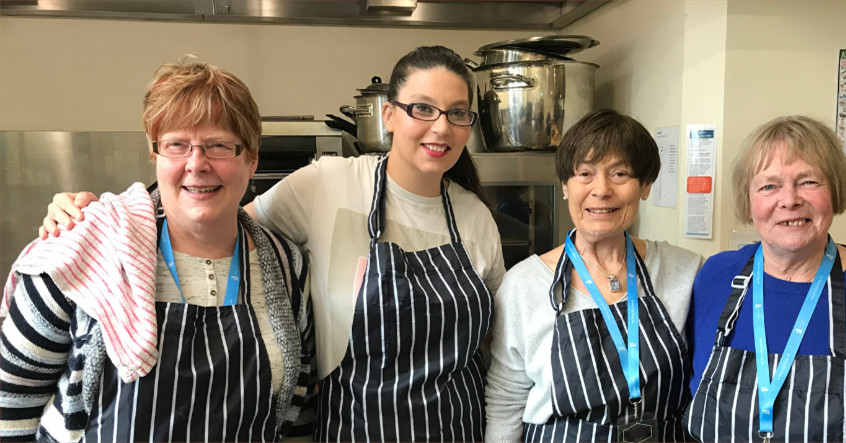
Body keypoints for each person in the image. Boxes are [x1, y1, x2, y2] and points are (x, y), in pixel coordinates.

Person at [35, 45, 504, 442]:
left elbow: (496, 352)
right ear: (389, 115)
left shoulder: (476, 218)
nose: (440, 127)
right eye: (422, 108)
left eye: (456, 113)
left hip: (454, 427)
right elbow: (214, 219)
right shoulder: (329, 184)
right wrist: (106, 214)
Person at [484, 110, 846, 443]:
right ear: (564, 186)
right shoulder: (524, 286)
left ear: (645, 186)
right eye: (584, 174)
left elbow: (789, 256)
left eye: (620, 173)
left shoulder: (691, 272)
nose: (601, 190)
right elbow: (504, 405)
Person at [0, 59, 315, 442]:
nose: (196, 164)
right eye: (176, 145)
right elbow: (10, 404)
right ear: (155, 156)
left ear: (252, 160)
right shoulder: (87, 250)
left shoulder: (286, 267)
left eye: (218, 146)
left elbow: (299, 407)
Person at [685, 115, 846, 442]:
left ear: (835, 190)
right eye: (769, 185)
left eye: (808, 181)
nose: (790, 199)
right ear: (748, 201)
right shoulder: (715, 277)